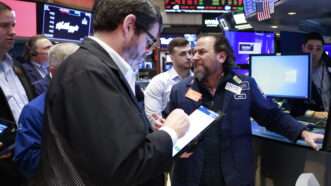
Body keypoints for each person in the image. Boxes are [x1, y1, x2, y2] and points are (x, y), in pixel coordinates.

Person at [30, 0, 190, 185]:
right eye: (149, 41)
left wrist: (150, 133)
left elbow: (108, 143)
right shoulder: (89, 72)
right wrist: (171, 133)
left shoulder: (95, 67)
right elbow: (122, 167)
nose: (147, 51)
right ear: (129, 26)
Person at [164, 33, 323, 186]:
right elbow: (167, 126)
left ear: (221, 56)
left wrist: (303, 132)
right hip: (191, 176)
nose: (194, 57)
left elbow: (271, 115)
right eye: (193, 52)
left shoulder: (244, 85)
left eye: (201, 52)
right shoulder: (180, 90)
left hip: (234, 176)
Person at [14, 43, 80, 178]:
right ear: (54, 71)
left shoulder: (90, 103)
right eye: (76, 69)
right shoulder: (35, 111)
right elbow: (27, 160)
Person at [0, 2, 36, 185]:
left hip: (27, 161)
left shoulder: (18, 67)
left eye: (13, 25)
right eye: (5, 26)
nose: (13, 31)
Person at [144, 37, 192, 126]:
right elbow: (154, 118)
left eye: (190, 52)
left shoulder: (199, 81)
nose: (189, 57)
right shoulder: (159, 82)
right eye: (183, 54)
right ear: (172, 57)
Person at [288, 32, 331, 120]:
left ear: (323, 49)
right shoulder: (293, 70)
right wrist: (314, 114)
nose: (314, 52)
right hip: (312, 120)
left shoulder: (329, 65)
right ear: (303, 48)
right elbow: (291, 106)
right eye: (310, 48)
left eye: (318, 49)